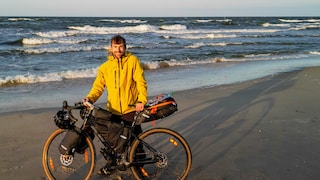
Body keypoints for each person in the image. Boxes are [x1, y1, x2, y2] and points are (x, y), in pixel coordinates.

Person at [83, 35, 148, 175]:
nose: (118, 50)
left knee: (135, 140)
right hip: (113, 109)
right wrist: (90, 98)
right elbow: (98, 88)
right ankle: (112, 164)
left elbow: (140, 82)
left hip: (131, 108)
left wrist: (141, 100)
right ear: (111, 48)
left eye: (121, 47)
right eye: (115, 47)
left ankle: (140, 167)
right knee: (112, 140)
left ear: (125, 47)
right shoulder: (105, 67)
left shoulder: (133, 61)